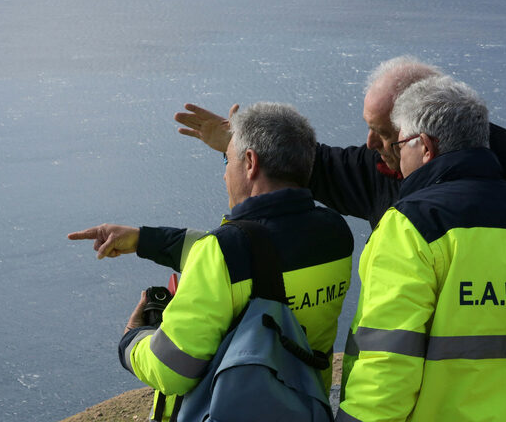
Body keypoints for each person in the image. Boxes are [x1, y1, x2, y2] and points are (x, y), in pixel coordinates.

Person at [70, 103, 354, 421]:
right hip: (303, 406)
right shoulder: (335, 232)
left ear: (250, 163)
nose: (223, 173)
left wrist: (133, 339)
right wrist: (142, 239)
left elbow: (171, 369)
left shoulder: (225, 253)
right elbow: (253, 256)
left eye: (227, 158)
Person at [336, 76, 506, 421]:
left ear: (424, 146)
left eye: (400, 143)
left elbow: (387, 365)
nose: (394, 153)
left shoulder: (410, 227)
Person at [175, 55, 506, 227]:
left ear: (422, 134)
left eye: (383, 133)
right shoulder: (385, 169)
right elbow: (315, 167)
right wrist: (243, 145)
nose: (370, 144)